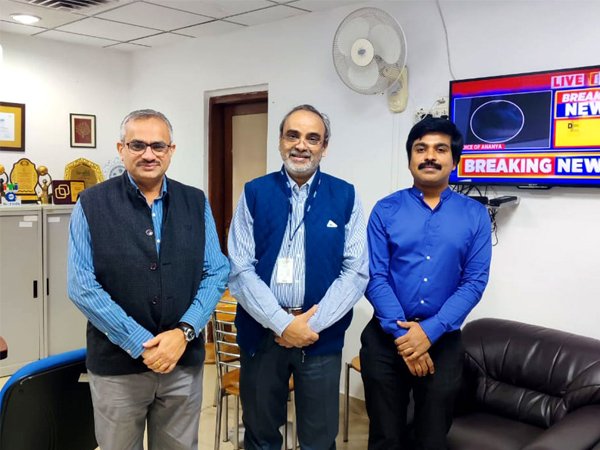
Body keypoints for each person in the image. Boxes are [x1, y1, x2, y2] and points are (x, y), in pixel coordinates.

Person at [68, 109, 229, 450]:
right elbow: (81, 285)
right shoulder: (91, 203)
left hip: (182, 364)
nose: (148, 154)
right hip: (117, 369)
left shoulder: (195, 201)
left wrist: (184, 332)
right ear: (121, 148)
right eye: (137, 145)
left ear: (171, 150)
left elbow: (216, 271)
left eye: (158, 146)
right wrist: (143, 342)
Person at [228, 104, 369, 450]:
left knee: (319, 440)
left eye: (312, 138)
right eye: (292, 135)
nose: (301, 145)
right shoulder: (254, 193)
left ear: (324, 146)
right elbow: (240, 269)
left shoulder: (345, 196)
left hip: (319, 339)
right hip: (261, 337)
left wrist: (307, 327)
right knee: (260, 437)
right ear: (280, 141)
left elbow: (355, 271)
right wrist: (282, 324)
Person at [360, 117, 492, 450]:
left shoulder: (475, 215)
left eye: (440, 149)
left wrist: (428, 332)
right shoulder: (385, 210)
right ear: (410, 159)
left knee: (432, 438)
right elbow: (375, 276)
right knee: (385, 437)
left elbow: (474, 282)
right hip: (386, 339)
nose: (430, 156)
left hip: (443, 340)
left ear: (454, 160)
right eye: (421, 149)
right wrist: (406, 337)